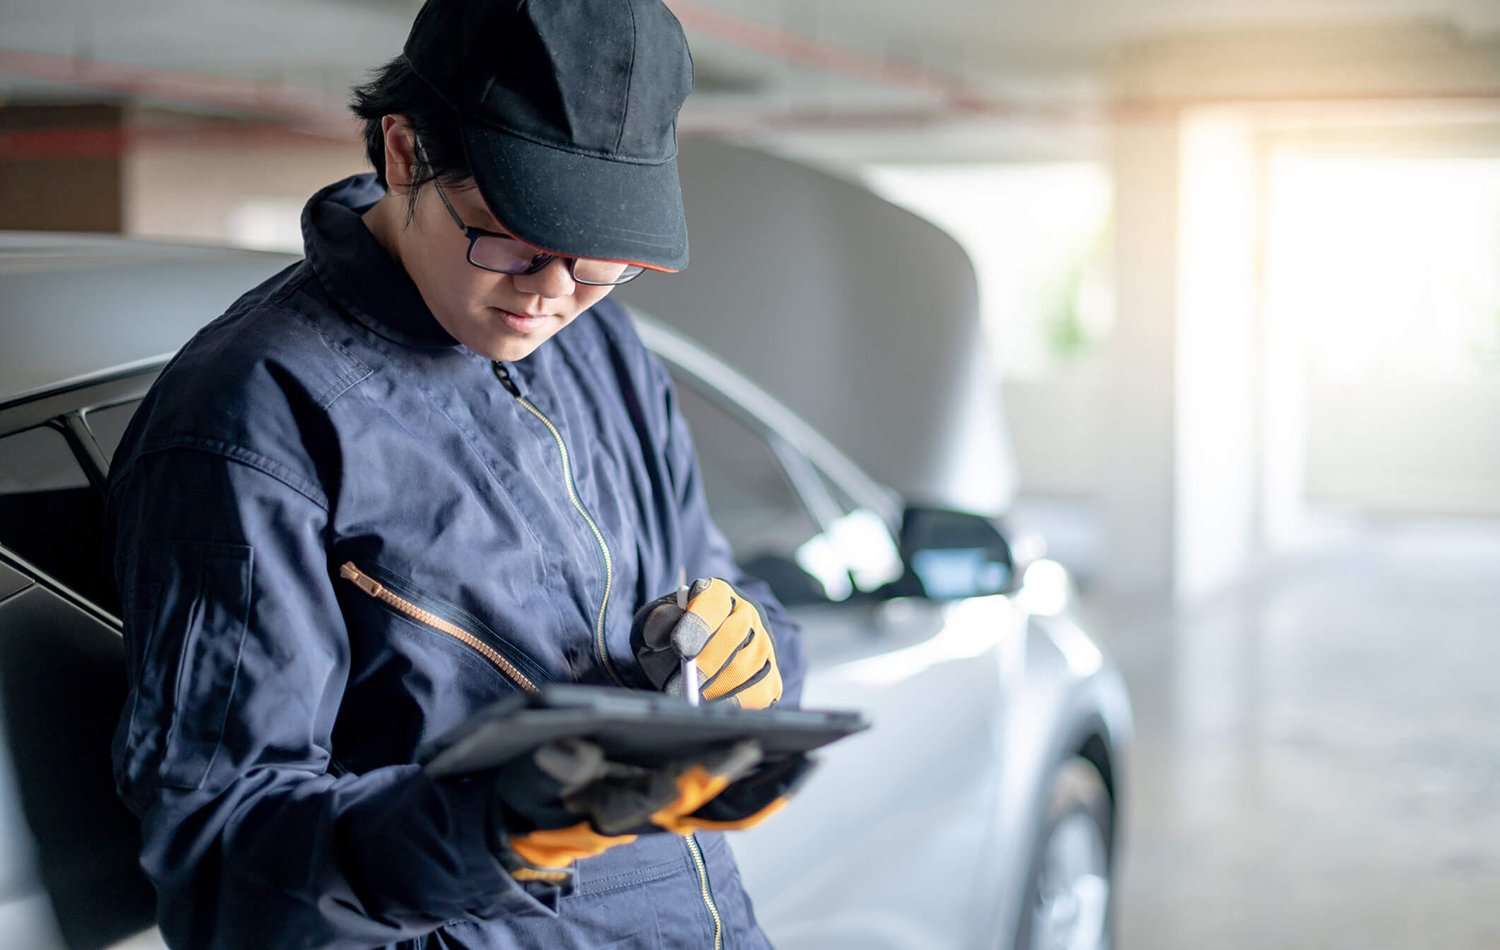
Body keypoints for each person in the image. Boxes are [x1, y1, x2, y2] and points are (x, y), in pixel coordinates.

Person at [105, 1, 810, 947]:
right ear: (405, 155)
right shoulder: (254, 418)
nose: (557, 291)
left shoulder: (601, 344)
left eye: (601, 259)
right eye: (515, 236)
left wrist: (752, 656)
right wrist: (493, 830)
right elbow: (224, 858)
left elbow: (710, 585)